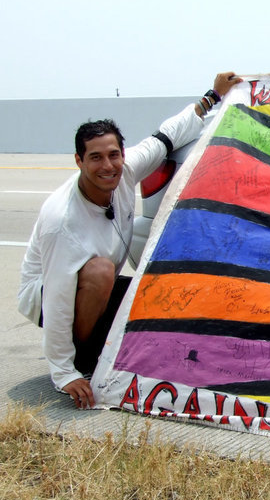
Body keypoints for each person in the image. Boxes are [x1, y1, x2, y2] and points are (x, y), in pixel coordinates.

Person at [17, 72, 243, 409]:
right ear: (79, 161)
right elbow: (58, 301)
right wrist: (64, 372)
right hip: (48, 296)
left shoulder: (122, 172)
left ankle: (101, 339)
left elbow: (166, 136)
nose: (107, 166)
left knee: (155, 299)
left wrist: (213, 95)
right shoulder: (61, 222)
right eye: (95, 157)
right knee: (101, 272)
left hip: (90, 290)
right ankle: (85, 356)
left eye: (113, 155)